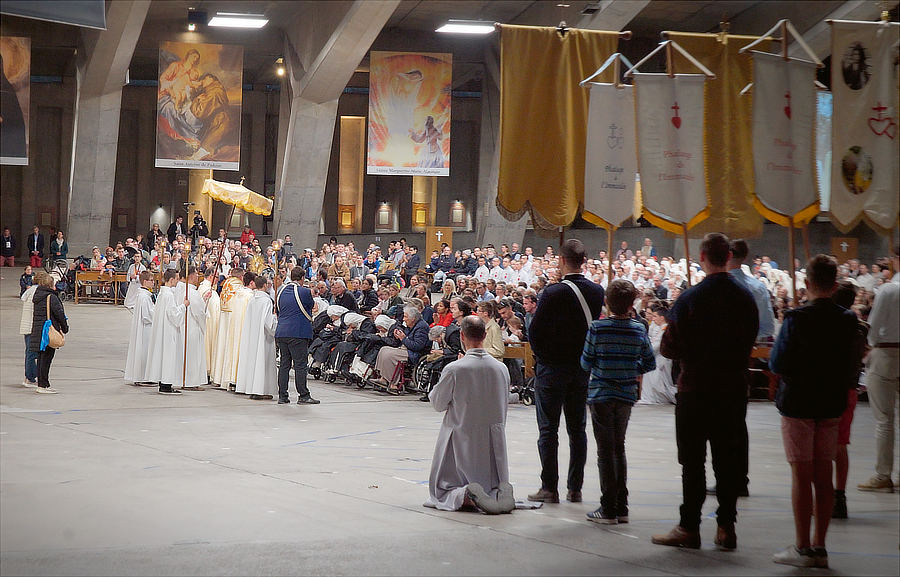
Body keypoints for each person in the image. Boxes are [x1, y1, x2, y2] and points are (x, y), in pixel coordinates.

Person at [652, 233, 758, 551]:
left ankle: (689, 527)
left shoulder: (690, 299)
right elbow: (751, 336)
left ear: (702, 256)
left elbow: (669, 347)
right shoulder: (745, 297)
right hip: (732, 387)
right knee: (727, 460)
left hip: (696, 388)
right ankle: (726, 527)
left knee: (694, 462)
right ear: (728, 256)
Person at [769, 255, 862, 569]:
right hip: (832, 402)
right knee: (824, 474)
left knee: (801, 475)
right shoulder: (848, 319)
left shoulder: (796, 318)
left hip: (798, 404)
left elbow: (777, 363)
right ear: (835, 285)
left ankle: (801, 546)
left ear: (806, 284)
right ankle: (820, 545)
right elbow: (853, 361)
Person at [527, 239, 605, 504]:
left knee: (548, 429)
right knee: (577, 429)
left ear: (561, 260)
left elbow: (535, 331)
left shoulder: (552, 292)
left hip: (552, 368)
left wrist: (543, 357)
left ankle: (549, 487)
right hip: (580, 368)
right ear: (584, 261)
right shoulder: (597, 291)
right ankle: (575, 487)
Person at [580, 280, 655, 524]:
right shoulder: (638, 329)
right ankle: (621, 504)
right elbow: (649, 362)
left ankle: (608, 506)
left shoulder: (598, 328)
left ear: (606, 302)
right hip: (625, 394)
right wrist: (630, 369)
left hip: (601, 392)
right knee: (619, 447)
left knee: (605, 451)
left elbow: (586, 361)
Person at [424, 315, 515, 514]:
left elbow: (438, 403)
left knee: (443, 491)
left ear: (462, 336)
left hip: (462, 436)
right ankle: (500, 490)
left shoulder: (456, 369)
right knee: (492, 482)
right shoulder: (501, 368)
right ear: (484, 335)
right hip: (493, 439)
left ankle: (467, 495)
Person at [857, 244, 899, 493]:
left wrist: (869, 348)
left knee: (884, 419)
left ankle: (883, 474)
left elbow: (873, 326)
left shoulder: (889, 290)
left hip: (886, 353)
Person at [829, 280, 868, 519]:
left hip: (829, 389)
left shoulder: (832, 326)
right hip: (849, 390)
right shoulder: (860, 328)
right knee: (840, 445)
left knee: (822, 447)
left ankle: (825, 495)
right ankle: (839, 495)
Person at [275, 267, 320, 404]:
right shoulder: (304, 292)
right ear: (302, 278)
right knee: (300, 365)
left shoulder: (280, 291)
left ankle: (283, 396)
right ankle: (303, 395)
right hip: (298, 332)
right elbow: (311, 306)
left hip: (282, 331)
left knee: (284, 364)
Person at [235, 275, 278, 400]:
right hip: (263, 338)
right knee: (263, 362)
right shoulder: (266, 301)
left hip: (252, 337)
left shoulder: (252, 300)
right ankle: (261, 390)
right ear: (264, 285)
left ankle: (253, 389)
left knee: (254, 362)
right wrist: (275, 320)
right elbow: (268, 324)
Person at [371, 306, 430, 392]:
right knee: (383, 349)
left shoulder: (421, 327)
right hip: (407, 349)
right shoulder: (411, 325)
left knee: (390, 355)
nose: (403, 319)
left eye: (405, 317)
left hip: (415, 353)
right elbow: (406, 335)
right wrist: (398, 333)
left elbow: (417, 346)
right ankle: (383, 377)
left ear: (413, 318)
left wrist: (403, 338)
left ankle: (393, 383)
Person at [144, 270, 183, 395]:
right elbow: (173, 314)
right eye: (176, 279)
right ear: (171, 280)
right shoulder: (169, 295)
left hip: (163, 329)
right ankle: (166, 384)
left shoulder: (162, 293)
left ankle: (164, 382)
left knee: (163, 356)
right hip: (168, 330)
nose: (177, 281)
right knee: (168, 356)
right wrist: (183, 306)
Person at [30, 272, 69, 394]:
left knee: (42, 358)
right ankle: (43, 385)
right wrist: (65, 327)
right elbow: (59, 314)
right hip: (48, 331)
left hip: (39, 330)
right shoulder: (51, 297)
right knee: (47, 358)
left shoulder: (38, 296)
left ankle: (43, 383)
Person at [171, 267, 210, 388]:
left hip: (182, 326)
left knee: (184, 355)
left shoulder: (179, 289)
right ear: (191, 276)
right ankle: (191, 382)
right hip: (191, 327)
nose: (198, 277)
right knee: (192, 355)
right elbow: (199, 313)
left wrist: (203, 300)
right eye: (196, 274)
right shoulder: (191, 292)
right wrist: (204, 317)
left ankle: (183, 380)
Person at [637, 302, 676, 405]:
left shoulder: (665, 329)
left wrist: (646, 349)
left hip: (661, 359)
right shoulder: (660, 328)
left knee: (659, 382)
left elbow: (657, 345)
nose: (653, 318)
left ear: (662, 317)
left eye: (655, 316)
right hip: (655, 358)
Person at [124, 271, 156, 386]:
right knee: (144, 351)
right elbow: (147, 316)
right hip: (146, 329)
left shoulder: (144, 295)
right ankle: (143, 377)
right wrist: (158, 313)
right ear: (145, 281)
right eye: (151, 281)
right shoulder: (144, 297)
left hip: (145, 328)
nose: (153, 283)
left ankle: (143, 376)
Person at [198, 269, 221, 376]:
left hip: (214, 322)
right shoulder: (204, 288)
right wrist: (205, 297)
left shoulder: (212, 289)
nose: (218, 280)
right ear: (211, 276)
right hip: (208, 323)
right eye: (217, 277)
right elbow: (200, 303)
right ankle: (205, 370)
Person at [20, 274, 40, 388]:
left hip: (27, 326)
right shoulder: (36, 292)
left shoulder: (29, 291)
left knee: (29, 353)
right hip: (33, 327)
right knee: (32, 353)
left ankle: (29, 376)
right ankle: (30, 378)